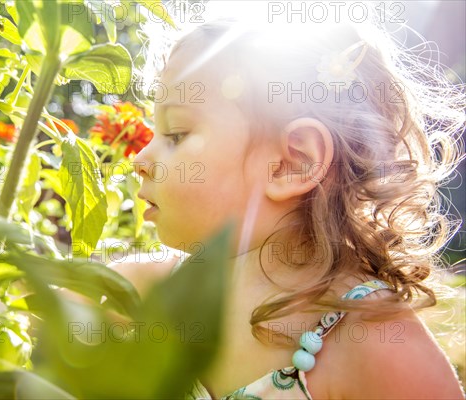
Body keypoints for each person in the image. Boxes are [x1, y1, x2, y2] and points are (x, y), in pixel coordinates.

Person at [111, 3, 465, 399]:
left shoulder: (374, 342)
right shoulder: (152, 286)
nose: (139, 160)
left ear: (291, 165)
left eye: (175, 134)